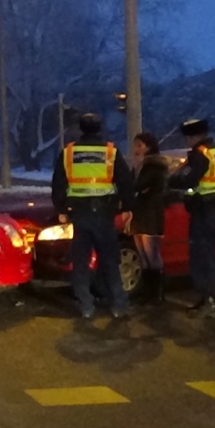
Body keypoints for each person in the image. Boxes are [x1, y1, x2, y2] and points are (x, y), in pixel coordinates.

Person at [51, 113, 135, 320]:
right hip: (104, 214)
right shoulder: (110, 151)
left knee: (80, 262)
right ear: (99, 128)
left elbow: (58, 183)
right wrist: (128, 206)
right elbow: (125, 181)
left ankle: (86, 305)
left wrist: (61, 209)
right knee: (109, 260)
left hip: (78, 213)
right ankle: (118, 305)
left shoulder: (69, 152)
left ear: (81, 128)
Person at [167, 118, 215, 319]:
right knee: (208, 255)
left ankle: (209, 301)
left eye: (188, 138)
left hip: (204, 211)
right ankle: (206, 299)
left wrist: (172, 179)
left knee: (203, 257)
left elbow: (189, 180)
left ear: (195, 136)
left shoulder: (200, 155)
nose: (187, 142)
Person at [129, 132, 171, 305]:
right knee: (143, 255)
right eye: (135, 145)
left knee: (152, 254)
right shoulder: (140, 165)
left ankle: (157, 294)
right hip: (140, 212)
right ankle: (147, 292)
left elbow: (138, 185)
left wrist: (137, 185)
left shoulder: (155, 165)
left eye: (140, 145)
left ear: (149, 147)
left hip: (151, 213)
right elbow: (134, 186)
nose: (136, 149)